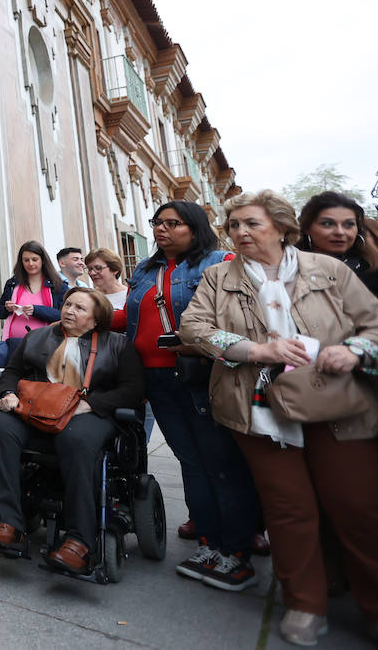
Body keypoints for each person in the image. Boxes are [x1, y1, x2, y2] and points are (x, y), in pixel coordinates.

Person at [180, 190, 378, 647]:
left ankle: (376, 606)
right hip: (258, 409)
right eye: (233, 225)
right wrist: (256, 349)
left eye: (251, 223)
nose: (240, 232)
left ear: (282, 227)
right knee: (289, 511)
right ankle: (305, 603)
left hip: (337, 404)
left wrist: (352, 351)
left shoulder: (327, 270)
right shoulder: (218, 276)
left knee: (358, 507)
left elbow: (376, 324)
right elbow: (195, 328)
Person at [117, 200, 261, 591]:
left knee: (219, 462)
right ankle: (209, 544)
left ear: (194, 228)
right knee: (191, 461)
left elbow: (240, 312)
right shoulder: (146, 269)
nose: (161, 230)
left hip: (202, 375)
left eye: (172, 224)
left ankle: (236, 552)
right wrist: (83, 312)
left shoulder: (219, 261)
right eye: (157, 223)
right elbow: (131, 319)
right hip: (156, 380)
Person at [0, 288, 144, 573]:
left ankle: (80, 541)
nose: (69, 311)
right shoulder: (37, 337)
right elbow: (12, 372)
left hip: (87, 414)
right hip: (37, 410)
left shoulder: (116, 345)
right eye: (68, 304)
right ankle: (10, 524)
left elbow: (133, 389)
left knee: (76, 438)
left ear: (96, 319)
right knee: (0, 426)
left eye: (80, 308)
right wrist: (7, 394)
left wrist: (92, 404)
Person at [0, 241, 67, 384]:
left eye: (34, 259)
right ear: (21, 262)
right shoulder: (12, 283)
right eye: (26, 260)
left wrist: (37, 310)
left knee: (39, 381)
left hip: (45, 344)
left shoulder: (58, 286)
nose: (30, 263)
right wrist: (6, 308)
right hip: (14, 343)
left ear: (43, 261)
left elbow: (63, 315)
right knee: (15, 379)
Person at [298, 190, 378, 302]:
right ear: (307, 228)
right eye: (327, 224)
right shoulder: (288, 270)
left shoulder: (372, 270)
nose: (340, 232)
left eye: (349, 224)